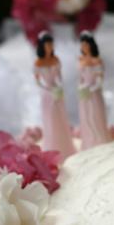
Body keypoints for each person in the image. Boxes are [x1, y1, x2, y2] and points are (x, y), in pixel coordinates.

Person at [33, 31, 75, 162]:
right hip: (46, 93)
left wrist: (58, 85)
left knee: (61, 118)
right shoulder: (38, 63)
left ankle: (65, 147)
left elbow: (59, 77)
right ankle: (52, 146)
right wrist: (48, 88)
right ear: (42, 46)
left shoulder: (56, 60)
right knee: (50, 120)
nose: (50, 48)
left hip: (57, 92)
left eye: (51, 45)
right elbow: (38, 81)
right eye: (47, 45)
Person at [77, 31, 110, 149]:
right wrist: (81, 86)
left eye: (85, 45)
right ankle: (88, 141)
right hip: (84, 94)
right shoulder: (80, 60)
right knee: (85, 117)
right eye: (82, 45)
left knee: (95, 116)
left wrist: (91, 89)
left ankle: (99, 141)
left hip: (94, 94)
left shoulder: (97, 61)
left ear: (91, 45)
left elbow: (99, 81)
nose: (83, 47)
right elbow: (81, 78)